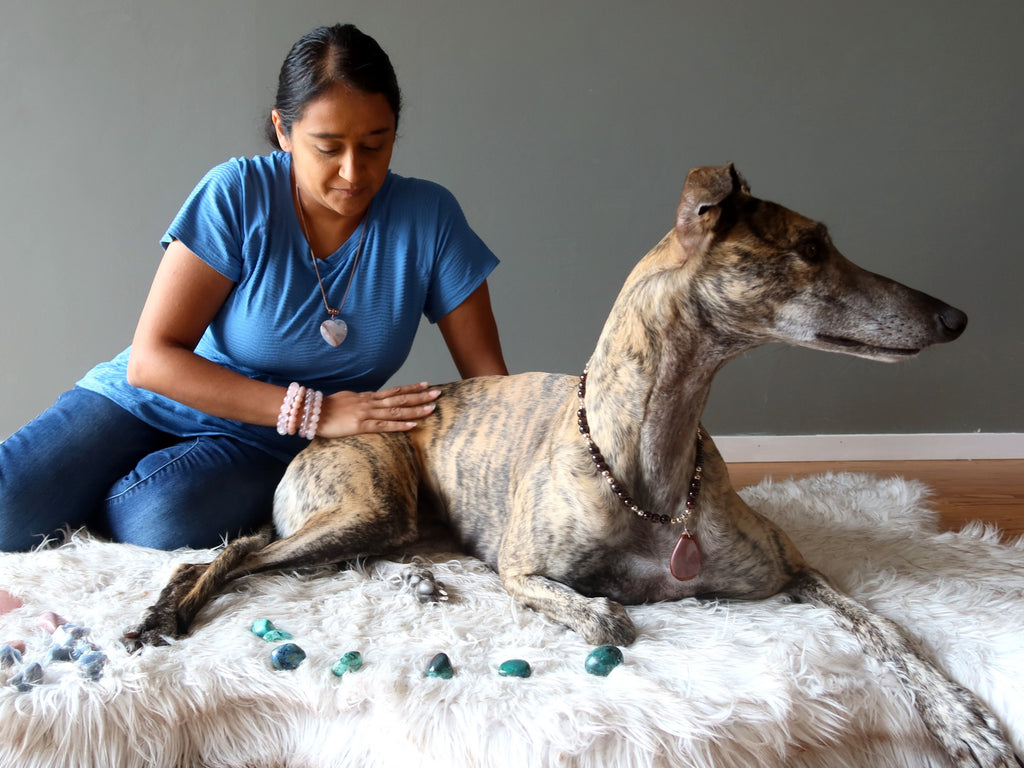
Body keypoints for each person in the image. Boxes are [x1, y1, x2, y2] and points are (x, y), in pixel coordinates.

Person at [0, 23, 507, 552]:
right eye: (328, 147)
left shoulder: (430, 218)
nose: (353, 172)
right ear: (283, 132)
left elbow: (492, 384)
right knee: (7, 510)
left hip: (271, 440)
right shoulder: (237, 193)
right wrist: (323, 412)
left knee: (156, 522)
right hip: (156, 398)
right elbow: (151, 361)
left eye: (375, 145)